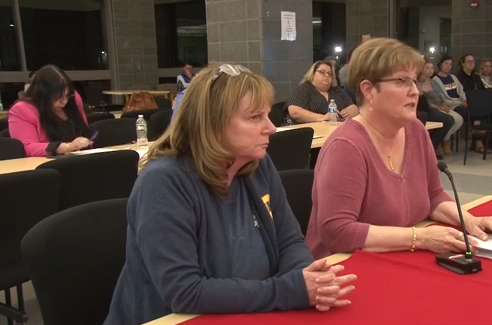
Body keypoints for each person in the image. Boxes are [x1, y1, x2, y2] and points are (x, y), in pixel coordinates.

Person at [104, 65, 357, 325]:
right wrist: (289, 291)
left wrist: (309, 278)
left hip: (248, 312)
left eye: (267, 115)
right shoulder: (163, 182)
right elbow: (184, 292)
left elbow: (289, 242)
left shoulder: (256, 165)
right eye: (254, 117)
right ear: (212, 123)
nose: (270, 127)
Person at [305, 38, 492, 259]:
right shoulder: (346, 146)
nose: (415, 91)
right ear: (368, 90)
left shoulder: (415, 130)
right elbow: (338, 233)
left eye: (414, 81)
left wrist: (471, 220)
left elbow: (434, 197)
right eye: (402, 81)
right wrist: (420, 238)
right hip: (344, 268)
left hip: (398, 256)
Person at [8, 65, 92, 157]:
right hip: (46, 165)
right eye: (58, 98)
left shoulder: (73, 99)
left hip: (81, 159)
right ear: (43, 95)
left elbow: (85, 132)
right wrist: (66, 147)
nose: (64, 102)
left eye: (67, 96)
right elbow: (26, 147)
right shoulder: (22, 110)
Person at [283, 61, 358, 125]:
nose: (326, 75)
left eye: (329, 73)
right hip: (308, 132)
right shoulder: (304, 89)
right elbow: (295, 112)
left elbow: (354, 108)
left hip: (335, 130)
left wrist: (348, 113)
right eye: (322, 72)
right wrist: (323, 117)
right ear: (312, 74)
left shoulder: (337, 91)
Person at [417, 60, 457, 157]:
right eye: (427, 68)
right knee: (422, 116)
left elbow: (439, 95)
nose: (430, 70)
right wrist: (421, 91)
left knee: (449, 120)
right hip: (420, 109)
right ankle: (422, 152)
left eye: (431, 68)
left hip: (427, 109)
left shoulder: (433, 81)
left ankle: (431, 148)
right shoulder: (416, 81)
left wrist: (443, 104)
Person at [431, 55, 469, 155]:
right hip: (448, 104)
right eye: (446, 64)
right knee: (456, 119)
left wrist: (464, 99)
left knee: (460, 119)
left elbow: (461, 90)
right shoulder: (436, 80)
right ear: (440, 65)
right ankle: (445, 140)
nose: (448, 66)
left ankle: (444, 138)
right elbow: (443, 98)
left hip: (459, 102)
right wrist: (459, 103)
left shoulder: (453, 77)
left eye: (450, 64)